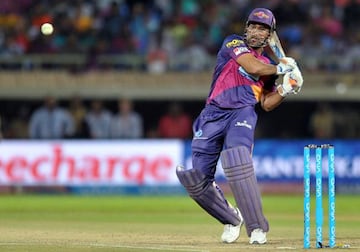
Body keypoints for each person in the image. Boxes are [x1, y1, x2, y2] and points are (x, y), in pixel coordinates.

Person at [176, 8, 303, 246]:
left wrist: (287, 88)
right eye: (253, 26)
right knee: (195, 179)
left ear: (269, 36)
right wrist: (284, 68)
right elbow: (252, 67)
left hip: (242, 113)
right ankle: (232, 219)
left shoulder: (267, 65)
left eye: (262, 28)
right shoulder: (233, 42)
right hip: (212, 115)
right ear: (246, 28)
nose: (255, 32)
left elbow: (266, 103)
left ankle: (257, 227)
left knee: (237, 158)